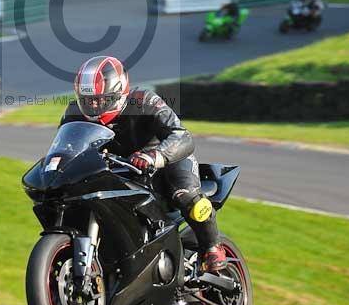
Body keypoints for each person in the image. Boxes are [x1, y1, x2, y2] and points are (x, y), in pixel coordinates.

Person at [60, 56, 226, 274]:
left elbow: (182, 136)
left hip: (165, 163)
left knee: (185, 196)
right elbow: (66, 147)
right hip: (117, 171)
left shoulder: (144, 101)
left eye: (100, 100)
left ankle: (212, 248)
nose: (93, 106)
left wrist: (156, 155)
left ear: (118, 92)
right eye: (88, 100)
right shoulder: (73, 113)